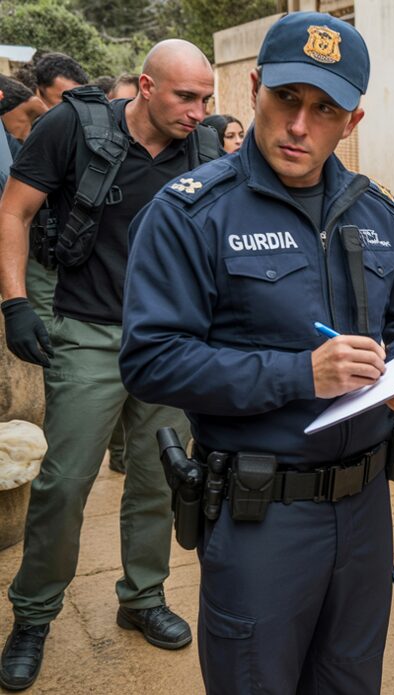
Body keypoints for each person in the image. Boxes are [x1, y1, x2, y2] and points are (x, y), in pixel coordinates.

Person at [118, 13, 394, 693]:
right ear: (255, 87)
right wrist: (299, 373)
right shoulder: (192, 214)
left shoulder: (377, 212)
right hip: (260, 514)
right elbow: (150, 359)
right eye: (288, 98)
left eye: (324, 109)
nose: (300, 125)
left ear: (351, 122)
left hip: (364, 515)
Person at [0, 40, 217, 691]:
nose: (199, 110)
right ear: (145, 87)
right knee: (65, 482)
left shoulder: (205, 147)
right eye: (186, 96)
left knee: (158, 476)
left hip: (169, 339)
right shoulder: (75, 125)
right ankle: (34, 614)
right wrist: (14, 301)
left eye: (206, 98)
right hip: (88, 330)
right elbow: (14, 209)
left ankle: (141, 596)